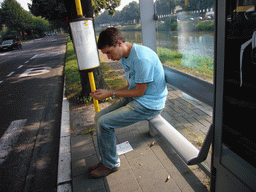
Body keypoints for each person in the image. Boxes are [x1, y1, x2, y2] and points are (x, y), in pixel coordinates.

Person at [89, 27, 167, 178]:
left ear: (119, 43)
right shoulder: (126, 56)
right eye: (106, 55)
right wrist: (109, 92)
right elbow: (133, 86)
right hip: (139, 98)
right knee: (99, 118)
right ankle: (106, 159)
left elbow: (140, 91)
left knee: (105, 123)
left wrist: (110, 93)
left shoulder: (141, 58)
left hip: (149, 104)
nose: (109, 58)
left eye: (109, 53)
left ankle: (111, 164)